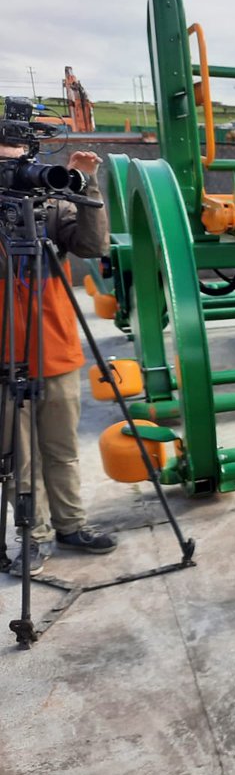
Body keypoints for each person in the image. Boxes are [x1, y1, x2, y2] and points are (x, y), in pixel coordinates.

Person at [0, 142, 116, 577]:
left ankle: (71, 525)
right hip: (5, 359)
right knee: (18, 460)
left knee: (62, 450)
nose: (16, 173)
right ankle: (35, 536)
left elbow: (94, 243)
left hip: (57, 349)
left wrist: (84, 186)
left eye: (21, 162)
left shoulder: (50, 208)